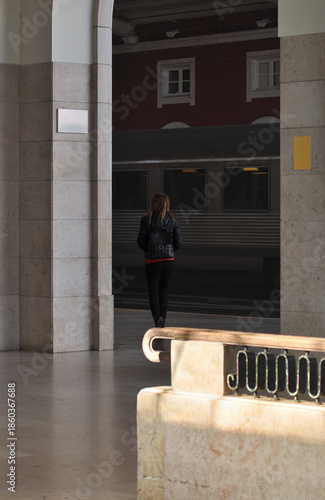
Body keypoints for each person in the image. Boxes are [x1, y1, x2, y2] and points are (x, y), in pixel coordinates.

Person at [137, 193, 182, 328]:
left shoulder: (146, 220)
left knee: (153, 292)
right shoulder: (173, 221)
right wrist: (169, 250)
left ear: (153, 204)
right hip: (168, 260)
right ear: (166, 205)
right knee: (163, 293)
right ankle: (162, 324)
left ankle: (157, 318)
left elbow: (141, 241)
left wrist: (149, 250)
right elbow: (179, 242)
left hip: (152, 261)